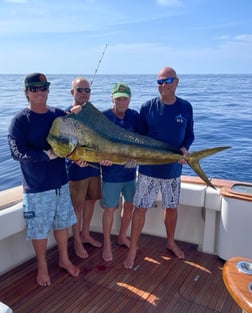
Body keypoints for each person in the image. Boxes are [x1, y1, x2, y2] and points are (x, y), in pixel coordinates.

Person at [7, 72, 80, 286]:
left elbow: (73, 138)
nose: (39, 91)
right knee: (39, 230)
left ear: (48, 89)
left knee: (62, 224)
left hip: (61, 183)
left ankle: (64, 260)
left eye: (43, 87)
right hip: (37, 188)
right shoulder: (20, 120)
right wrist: (46, 155)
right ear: (27, 92)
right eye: (34, 88)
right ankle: (42, 267)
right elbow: (16, 152)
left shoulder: (58, 115)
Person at [123, 66, 195, 269]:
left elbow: (189, 134)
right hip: (148, 170)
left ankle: (170, 242)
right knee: (141, 208)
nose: (163, 85)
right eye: (160, 82)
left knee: (171, 207)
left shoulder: (186, 107)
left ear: (177, 82)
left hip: (173, 169)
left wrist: (184, 150)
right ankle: (133, 248)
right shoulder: (147, 107)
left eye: (168, 80)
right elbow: (139, 138)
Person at [101, 83, 139, 262]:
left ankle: (122, 235)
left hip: (131, 173)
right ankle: (107, 243)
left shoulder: (134, 116)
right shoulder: (104, 117)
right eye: (118, 98)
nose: (122, 102)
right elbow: (96, 143)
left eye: (125, 98)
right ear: (112, 99)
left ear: (129, 99)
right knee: (109, 209)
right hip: (111, 174)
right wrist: (101, 158)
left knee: (129, 205)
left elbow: (142, 142)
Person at [66, 76, 103, 259]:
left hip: (94, 168)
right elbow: (60, 143)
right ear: (72, 92)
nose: (83, 93)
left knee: (91, 202)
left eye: (86, 90)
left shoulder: (94, 115)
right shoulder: (65, 115)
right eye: (79, 90)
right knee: (77, 208)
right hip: (76, 171)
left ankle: (86, 234)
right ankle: (77, 241)